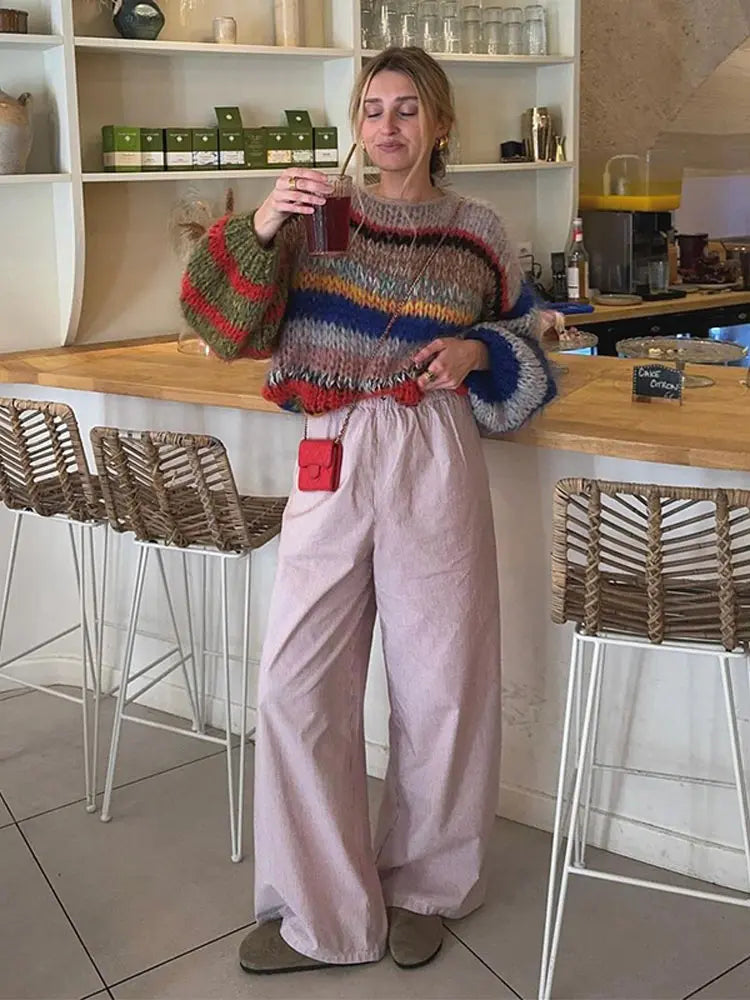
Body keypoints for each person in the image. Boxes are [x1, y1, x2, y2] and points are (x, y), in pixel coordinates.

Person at [180, 46, 556, 975]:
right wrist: (263, 221)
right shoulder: (322, 217)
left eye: (407, 109)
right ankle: (319, 911)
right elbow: (219, 324)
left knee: (442, 683)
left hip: (432, 445)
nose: (387, 125)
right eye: (373, 109)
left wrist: (477, 352)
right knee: (296, 684)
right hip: (332, 447)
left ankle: (427, 886)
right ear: (356, 123)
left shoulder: (477, 231)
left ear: (441, 124)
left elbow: (530, 334)